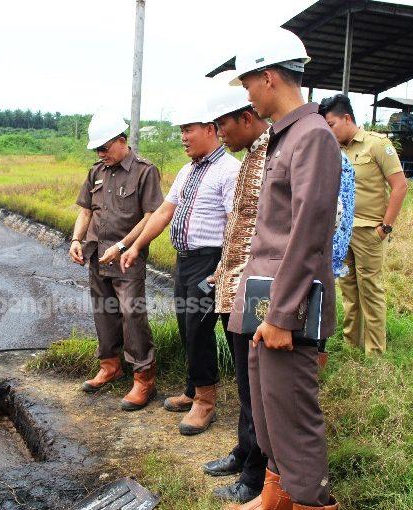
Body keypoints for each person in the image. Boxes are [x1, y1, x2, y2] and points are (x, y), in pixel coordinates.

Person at [220, 27, 342, 509]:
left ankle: (313, 502)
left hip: (286, 307)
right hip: (266, 299)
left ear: (269, 77)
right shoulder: (283, 137)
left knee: (294, 419)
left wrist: (279, 316)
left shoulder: (312, 138)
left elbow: (310, 234)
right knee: (270, 414)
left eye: (248, 83)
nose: (247, 95)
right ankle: (275, 497)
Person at [120, 97, 240, 436]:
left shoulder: (229, 170)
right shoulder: (188, 170)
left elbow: (235, 223)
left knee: (201, 329)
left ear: (210, 130)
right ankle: (192, 388)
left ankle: (206, 401)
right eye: (181, 131)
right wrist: (136, 245)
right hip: (185, 262)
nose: (183, 137)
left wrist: (226, 264)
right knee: (187, 327)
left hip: (212, 262)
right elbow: (163, 212)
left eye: (188, 130)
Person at [198, 86, 269, 504]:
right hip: (232, 286)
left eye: (222, 124)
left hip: (256, 290)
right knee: (245, 384)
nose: (218, 132)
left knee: (256, 387)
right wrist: (222, 271)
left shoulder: (274, 154)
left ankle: (256, 475)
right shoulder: (251, 158)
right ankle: (244, 452)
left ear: (245, 117)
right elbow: (239, 226)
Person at [70, 111, 163, 411]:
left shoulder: (145, 171)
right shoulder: (96, 171)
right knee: (103, 311)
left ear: (122, 142)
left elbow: (151, 216)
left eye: (105, 148)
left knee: (131, 313)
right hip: (97, 253)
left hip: (127, 258)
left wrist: (124, 247)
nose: (100, 154)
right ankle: (110, 365)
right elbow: (85, 211)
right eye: (97, 149)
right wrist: (76, 240)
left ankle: (143, 377)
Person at [319, 94, 408, 355]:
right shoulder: (335, 150)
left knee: (370, 290)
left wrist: (385, 227)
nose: (330, 131)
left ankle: (375, 352)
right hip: (342, 233)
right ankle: (351, 345)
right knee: (348, 291)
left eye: (332, 125)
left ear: (347, 118)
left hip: (370, 231)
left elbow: (400, 186)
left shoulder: (377, 145)